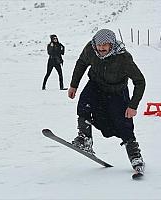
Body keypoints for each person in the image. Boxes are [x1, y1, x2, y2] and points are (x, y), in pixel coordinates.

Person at [67, 29, 146, 172]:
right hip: (96, 85)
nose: (101, 48)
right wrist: (74, 84)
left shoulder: (123, 58)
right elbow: (81, 63)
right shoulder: (90, 49)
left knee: (124, 122)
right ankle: (85, 139)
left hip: (117, 91)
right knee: (84, 104)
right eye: (99, 45)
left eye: (105, 45)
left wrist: (133, 105)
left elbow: (140, 81)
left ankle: (135, 155)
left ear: (112, 44)